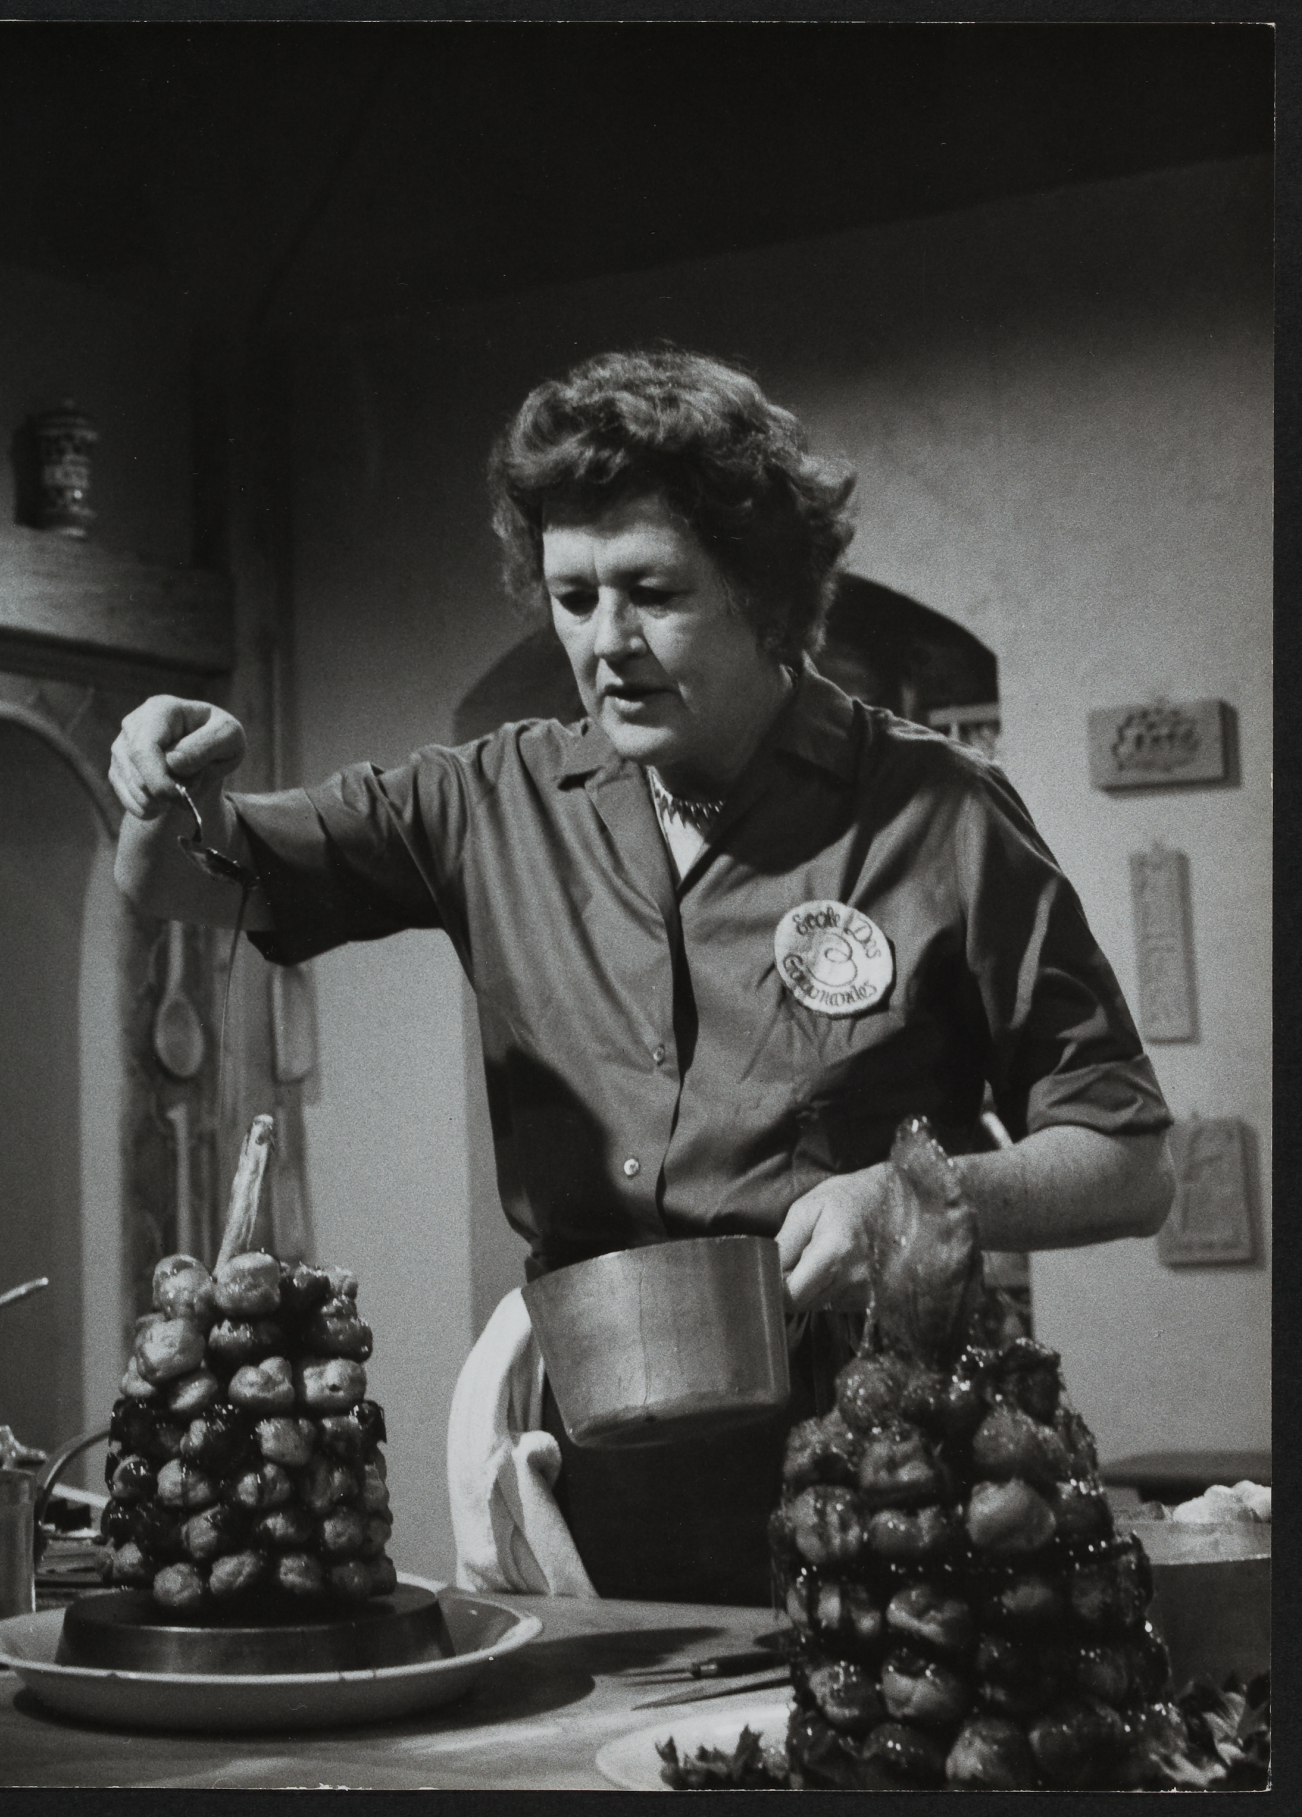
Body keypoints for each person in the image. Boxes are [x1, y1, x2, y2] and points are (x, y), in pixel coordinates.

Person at [110, 347, 1174, 1603]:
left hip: (889, 1470)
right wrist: (171, 782)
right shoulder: (491, 798)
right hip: (595, 1471)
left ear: (766, 594)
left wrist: (906, 1194)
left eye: (651, 592)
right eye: (570, 597)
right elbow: (188, 880)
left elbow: (1127, 1160)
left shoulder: (935, 813)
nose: (603, 642)